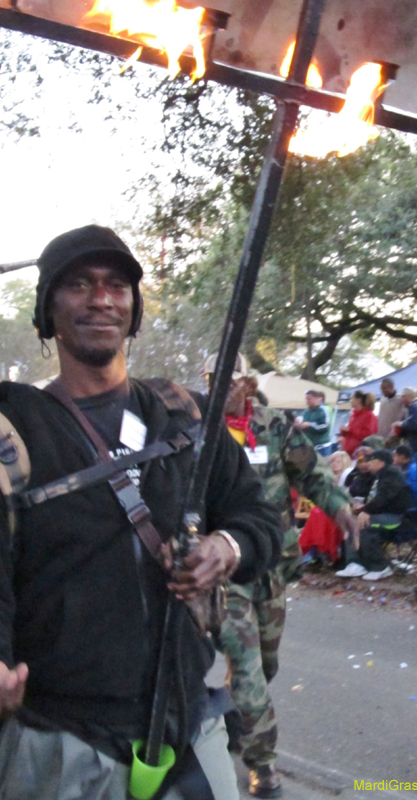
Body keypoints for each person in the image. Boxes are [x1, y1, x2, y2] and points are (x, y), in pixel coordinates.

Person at [0, 225, 282, 800]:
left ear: (133, 309)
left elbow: (260, 518)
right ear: (48, 310)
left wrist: (228, 546)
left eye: (116, 285)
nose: (101, 298)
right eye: (78, 284)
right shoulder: (16, 431)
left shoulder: (185, 417)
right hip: (62, 738)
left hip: (187, 721)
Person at [204, 358, 354, 798]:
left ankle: (235, 718)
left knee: (264, 666)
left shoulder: (274, 426)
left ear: (249, 384)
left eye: (231, 380)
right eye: (215, 380)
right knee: (247, 665)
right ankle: (263, 767)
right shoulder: (198, 429)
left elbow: (312, 474)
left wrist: (341, 507)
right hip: (222, 570)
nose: (223, 388)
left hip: (270, 565)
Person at [336, 449, 417, 581]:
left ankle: (380, 567)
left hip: (396, 518)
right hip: (382, 513)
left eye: (371, 461)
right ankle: (355, 563)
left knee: (365, 525)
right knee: (351, 522)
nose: (367, 464)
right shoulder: (379, 476)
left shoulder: (392, 475)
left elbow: (384, 498)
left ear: (380, 463)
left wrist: (366, 511)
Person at [392, 387, 417, 458]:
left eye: (402, 397)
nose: (401, 400)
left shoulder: (415, 406)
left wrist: (402, 424)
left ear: (405, 397)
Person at [339, 391, 377, 456]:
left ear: (358, 400)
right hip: (348, 450)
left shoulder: (369, 415)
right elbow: (350, 431)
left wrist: (350, 430)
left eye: (352, 399)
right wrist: (342, 434)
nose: (350, 401)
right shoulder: (353, 414)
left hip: (360, 453)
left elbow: (369, 435)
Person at [295, 389, 331, 453]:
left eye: (309, 399)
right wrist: (299, 425)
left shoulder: (323, 410)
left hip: (322, 447)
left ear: (316, 398)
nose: (307, 401)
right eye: (306, 399)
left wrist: (310, 425)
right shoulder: (306, 411)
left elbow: (325, 426)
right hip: (310, 446)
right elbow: (303, 423)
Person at [377, 378, 406, 443]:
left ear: (392, 387)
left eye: (384, 388)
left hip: (393, 437)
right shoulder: (383, 399)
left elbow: (402, 417)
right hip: (381, 435)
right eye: (381, 389)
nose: (383, 391)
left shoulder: (400, 400)